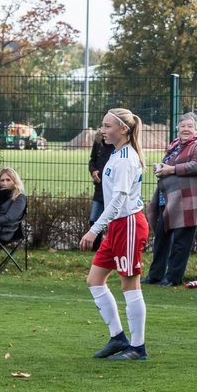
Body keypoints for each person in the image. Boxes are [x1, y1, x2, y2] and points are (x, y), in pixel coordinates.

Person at [79, 108, 150, 361]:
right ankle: (118, 337)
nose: (103, 130)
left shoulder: (125, 159)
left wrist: (93, 230)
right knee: (94, 280)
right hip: (118, 226)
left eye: (107, 126)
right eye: (103, 125)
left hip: (129, 224)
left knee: (130, 285)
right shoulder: (116, 153)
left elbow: (119, 201)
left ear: (123, 129)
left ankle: (138, 348)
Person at [145, 113, 197, 287]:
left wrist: (170, 170)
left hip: (187, 201)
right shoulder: (174, 144)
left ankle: (173, 278)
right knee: (161, 238)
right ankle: (155, 275)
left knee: (181, 242)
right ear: (178, 128)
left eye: (190, 126)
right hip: (167, 198)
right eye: (183, 126)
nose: (186, 129)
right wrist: (161, 168)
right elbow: (169, 166)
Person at [88, 129, 111, 224]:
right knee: (93, 222)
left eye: (108, 126)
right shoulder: (99, 141)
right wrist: (93, 170)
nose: (104, 128)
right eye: (104, 125)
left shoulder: (119, 146)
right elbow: (92, 160)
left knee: (113, 224)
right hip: (99, 189)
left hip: (112, 191)